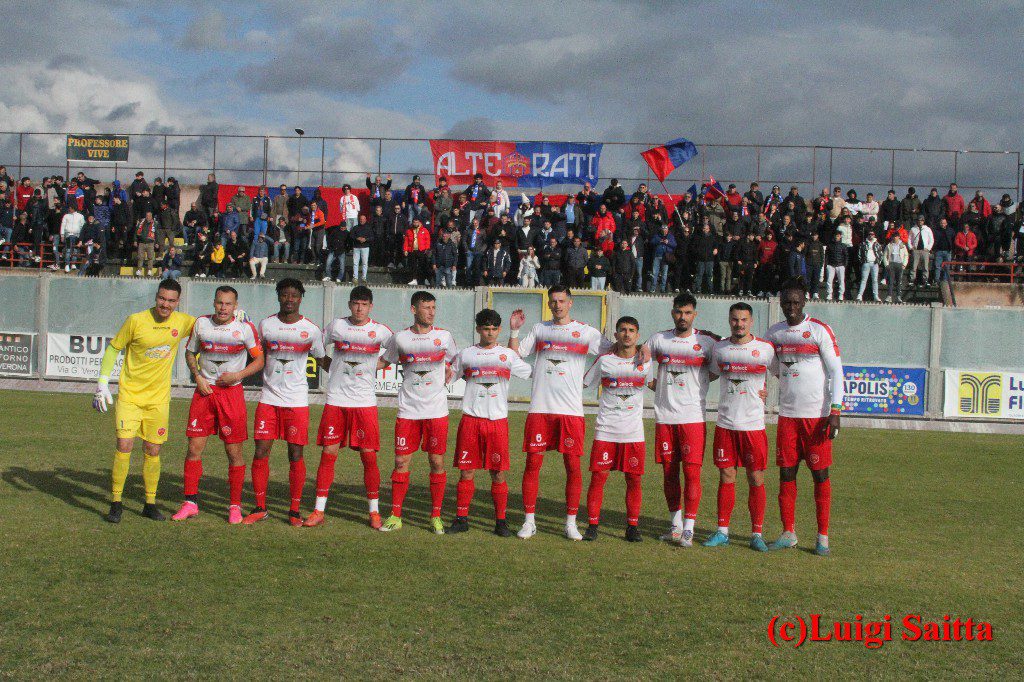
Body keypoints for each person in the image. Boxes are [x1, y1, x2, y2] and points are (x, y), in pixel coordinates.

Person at [508, 286, 624, 541]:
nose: (557, 305)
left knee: (573, 467)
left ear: (570, 303)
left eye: (561, 301)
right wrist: (514, 331)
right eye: (553, 301)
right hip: (540, 408)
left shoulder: (586, 332)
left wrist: (639, 348)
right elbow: (515, 355)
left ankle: (570, 523)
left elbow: (615, 350)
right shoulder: (540, 329)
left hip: (571, 411)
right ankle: (529, 521)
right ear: (549, 304)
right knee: (532, 464)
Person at [91, 279, 196, 523]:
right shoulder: (136, 320)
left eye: (171, 301)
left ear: (178, 302)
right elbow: (113, 348)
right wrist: (102, 383)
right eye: (162, 298)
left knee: (153, 449)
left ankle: (149, 503)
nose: (165, 304)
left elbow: (208, 326)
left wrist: (236, 319)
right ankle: (116, 502)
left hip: (158, 401)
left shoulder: (183, 322)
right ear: (156, 297)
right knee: (124, 445)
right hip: (130, 396)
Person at [305, 286, 394, 529]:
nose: (359, 308)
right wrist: (329, 365)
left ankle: (374, 512)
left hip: (364, 403)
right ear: (349, 304)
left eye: (364, 304)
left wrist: (376, 365)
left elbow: (395, 351)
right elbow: (316, 345)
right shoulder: (337, 326)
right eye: (356, 303)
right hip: (336, 400)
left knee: (368, 456)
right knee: (328, 453)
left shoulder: (380, 331)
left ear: (370, 306)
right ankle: (318, 510)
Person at [173, 287, 264, 524]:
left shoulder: (244, 328)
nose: (223, 308)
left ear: (235, 306)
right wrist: (197, 376)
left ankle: (234, 506)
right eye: (220, 303)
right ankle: (190, 503)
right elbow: (190, 353)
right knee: (194, 448)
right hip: (204, 392)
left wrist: (237, 375)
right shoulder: (201, 324)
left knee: (234, 452)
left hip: (231, 395)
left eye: (228, 304)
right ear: (214, 303)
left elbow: (259, 360)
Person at [766, 280, 843, 556]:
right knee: (787, 473)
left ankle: (822, 537)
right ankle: (789, 533)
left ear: (804, 302)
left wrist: (835, 411)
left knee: (820, 474)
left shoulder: (819, 330)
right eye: (787, 302)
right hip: (788, 417)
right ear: (780, 303)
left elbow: (836, 371)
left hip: (817, 417)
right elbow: (774, 368)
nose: (791, 307)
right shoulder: (774, 334)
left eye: (796, 302)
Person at [244, 279, 329, 526]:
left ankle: (294, 510)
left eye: (294, 295)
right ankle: (260, 507)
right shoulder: (266, 325)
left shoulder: (311, 330)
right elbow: (255, 354)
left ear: (301, 298)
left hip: (297, 401)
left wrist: (349, 370)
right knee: (261, 451)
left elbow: (322, 360)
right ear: (278, 296)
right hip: (268, 399)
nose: (289, 299)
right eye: (284, 295)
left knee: (295, 454)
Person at [377, 291, 458, 534]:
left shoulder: (444, 337)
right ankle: (395, 515)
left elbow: (457, 360)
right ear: (414, 310)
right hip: (408, 411)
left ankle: (436, 516)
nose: (431, 312)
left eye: (433, 307)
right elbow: (384, 361)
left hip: (436, 411)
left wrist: (451, 370)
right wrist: (357, 363)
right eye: (426, 307)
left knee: (436, 461)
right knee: (401, 461)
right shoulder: (400, 338)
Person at [447, 309, 532, 536]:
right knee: (466, 472)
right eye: (486, 329)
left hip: (497, 423)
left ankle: (500, 522)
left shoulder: (507, 355)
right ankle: (461, 519)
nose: (490, 333)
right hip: (471, 421)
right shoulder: (466, 355)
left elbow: (531, 372)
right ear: (478, 329)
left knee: (498, 474)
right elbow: (447, 377)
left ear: (499, 330)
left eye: (494, 329)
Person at [645, 293, 720, 546]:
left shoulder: (706, 342)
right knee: (669, 473)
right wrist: (652, 383)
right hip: (665, 418)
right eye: (679, 312)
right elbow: (638, 358)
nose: (683, 317)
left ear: (694, 314)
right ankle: (675, 526)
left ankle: (689, 528)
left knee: (691, 473)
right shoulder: (659, 339)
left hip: (693, 418)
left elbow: (719, 369)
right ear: (672, 313)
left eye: (688, 313)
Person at [703, 302, 775, 551]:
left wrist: (769, 392)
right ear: (729, 320)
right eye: (735, 319)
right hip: (726, 423)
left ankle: (757, 534)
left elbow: (782, 373)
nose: (739, 324)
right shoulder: (720, 348)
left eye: (744, 319)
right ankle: (722, 531)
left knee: (755, 477)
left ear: (751, 322)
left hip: (753, 425)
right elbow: (711, 374)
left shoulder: (765, 349)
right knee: (726, 475)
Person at [581, 316, 652, 542]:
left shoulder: (646, 362)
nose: (627, 334)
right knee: (598, 478)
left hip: (634, 433)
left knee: (634, 480)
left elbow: (656, 383)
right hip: (606, 430)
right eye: (622, 330)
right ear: (616, 334)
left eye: (631, 330)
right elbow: (583, 383)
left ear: (637, 335)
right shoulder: (604, 361)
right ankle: (592, 525)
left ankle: (632, 527)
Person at [403, 218, 431, 285]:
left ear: (419, 222)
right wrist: (405, 250)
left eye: (417, 222)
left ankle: (425, 279)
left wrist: (427, 249)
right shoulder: (409, 231)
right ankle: (414, 279)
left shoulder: (424, 230)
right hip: (412, 250)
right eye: (414, 222)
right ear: (412, 223)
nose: (415, 224)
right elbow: (406, 241)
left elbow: (427, 240)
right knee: (413, 265)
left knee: (423, 265)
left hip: (421, 250)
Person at [856, 230, 883, 302]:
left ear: (874, 235)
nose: (871, 235)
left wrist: (878, 262)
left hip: (875, 264)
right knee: (863, 280)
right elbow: (859, 254)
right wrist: (863, 262)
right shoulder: (863, 244)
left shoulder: (877, 244)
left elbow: (881, 254)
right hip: (866, 263)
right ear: (867, 235)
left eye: (872, 234)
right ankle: (860, 295)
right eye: (869, 234)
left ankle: (876, 296)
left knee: (875, 280)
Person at [883, 232, 909, 303]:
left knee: (899, 281)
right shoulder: (889, 245)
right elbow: (885, 255)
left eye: (896, 236)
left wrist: (904, 264)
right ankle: (889, 296)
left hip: (899, 264)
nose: (895, 238)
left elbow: (906, 255)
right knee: (890, 281)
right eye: (893, 236)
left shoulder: (902, 245)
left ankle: (898, 296)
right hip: (891, 264)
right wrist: (886, 265)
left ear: (899, 237)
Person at [60, 205, 85, 272]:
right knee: (68, 250)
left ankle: (73, 263)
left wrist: (81, 237)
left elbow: (82, 226)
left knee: (75, 250)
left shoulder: (80, 216)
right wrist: (62, 235)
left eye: (70, 208)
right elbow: (63, 225)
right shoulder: (66, 216)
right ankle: (67, 264)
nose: (69, 209)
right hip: (68, 235)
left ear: (74, 209)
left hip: (77, 235)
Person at [824, 231, 847, 301]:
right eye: (836, 236)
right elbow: (827, 255)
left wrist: (844, 265)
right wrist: (827, 264)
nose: (837, 237)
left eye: (838, 236)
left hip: (840, 265)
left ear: (840, 237)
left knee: (841, 280)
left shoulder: (843, 245)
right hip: (831, 265)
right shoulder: (830, 245)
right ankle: (829, 294)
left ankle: (841, 295)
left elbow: (846, 256)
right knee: (829, 280)